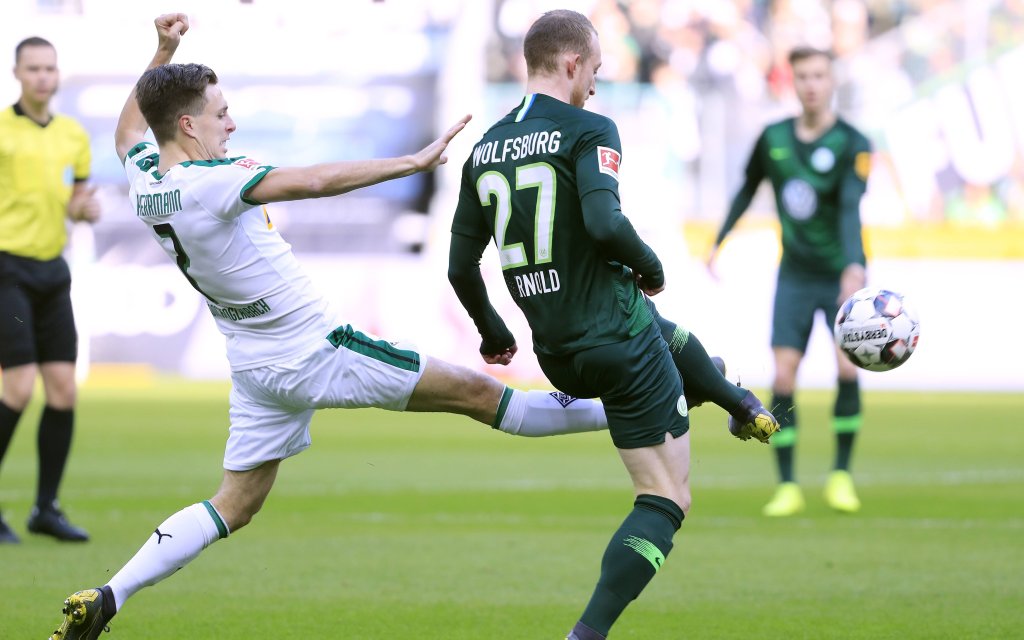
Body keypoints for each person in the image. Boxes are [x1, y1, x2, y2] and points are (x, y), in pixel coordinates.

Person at [47, 13, 621, 640]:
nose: (231, 123)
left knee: (232, 505)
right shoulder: (212, 184)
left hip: (254, 365)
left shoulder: (145, 178)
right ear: (187, 125)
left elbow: (131, 125)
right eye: (220, 113)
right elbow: (317, 180)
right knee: (480, 394)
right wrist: (413, 161)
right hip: (318, 349)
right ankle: (631, 405)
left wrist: (162, 50)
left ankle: (110, 593)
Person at [447, 11, 779, 640]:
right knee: (666, 498)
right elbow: (604, 225)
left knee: (652, 320)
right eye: (595, 70)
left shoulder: (483, 148)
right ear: (572, 63)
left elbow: (461, 266)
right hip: (618, 345)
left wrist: (492, 330)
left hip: (558, 351)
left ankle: (737, 400)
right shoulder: (590, 127)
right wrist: (651, 263)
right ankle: (587, 634)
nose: (596, 84)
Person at [707, 46, 873, 517]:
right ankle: (786, 485)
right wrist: (718, 242)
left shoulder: (854, 143)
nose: (812, 84)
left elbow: (848, 210)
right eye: (803, 76)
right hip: (795, 275)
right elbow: (746, 189)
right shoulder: (773, 138)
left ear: (832, 80)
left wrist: (853, 267)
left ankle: (840, 475)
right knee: (782, 375)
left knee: (846, 368)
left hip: (842, 273)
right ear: (792, 82)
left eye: (820, 75)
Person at [0, 36, 101, 544]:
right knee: (17, 386)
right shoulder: (0, 129)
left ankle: (46, 508)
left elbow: (77, 198)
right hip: (6, 268)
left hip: (51, 270)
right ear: (17, 73)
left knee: (63, 388)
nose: (42, 76)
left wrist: (84, 209)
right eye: (33, 68)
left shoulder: (72, 135)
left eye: (49, 68)